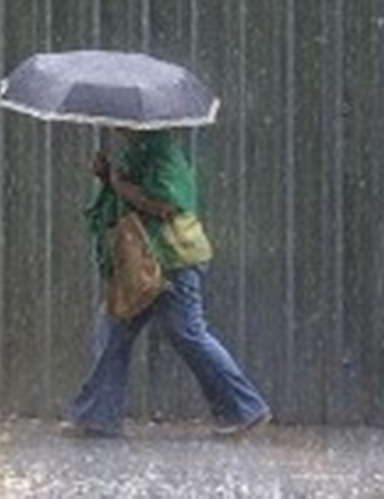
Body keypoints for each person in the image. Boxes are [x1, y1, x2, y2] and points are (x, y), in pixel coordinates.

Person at [63, 128, 271, 437]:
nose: (116, 125)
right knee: (114, 329)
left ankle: (244, 409)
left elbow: (166, 205)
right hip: (147, 260)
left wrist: (118, 184)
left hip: (172, 259)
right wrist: (109, 178)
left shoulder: (162, 152)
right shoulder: (140, 149)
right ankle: (97, 416)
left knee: (186, 333)